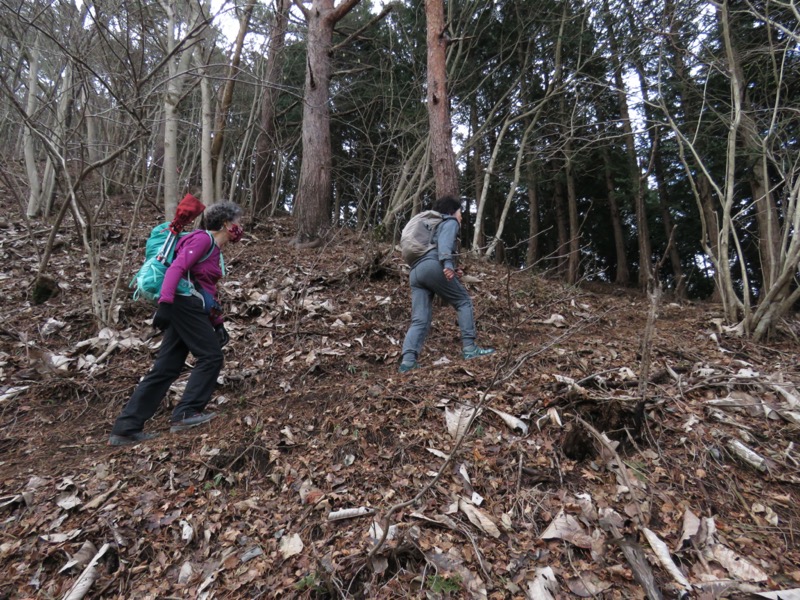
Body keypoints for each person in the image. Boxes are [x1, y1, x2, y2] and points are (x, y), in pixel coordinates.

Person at [109, 202, 244, 446]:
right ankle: (186, 412)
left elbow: (205, 290)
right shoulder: (202, 240)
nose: (240, 227)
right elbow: (176, 269)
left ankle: (126, 428)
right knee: (211, 357)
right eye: (237, 222)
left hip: (188, 305)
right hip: (182, 305)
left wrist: (218, 322)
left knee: (166, 368)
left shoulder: (213, 249)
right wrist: (166, 303)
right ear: (226, 223)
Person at [399, 195, 494, 372]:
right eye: (460, 213)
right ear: (452, 212)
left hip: (416, 272)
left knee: (420, 319)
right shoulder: (449, 221)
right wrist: (448, 265)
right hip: (432, 265)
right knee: (463, 301)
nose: (461, 217)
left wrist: (451, 267)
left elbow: (435, 245)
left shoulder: (430, 225)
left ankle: (408, 361)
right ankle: (470, 349)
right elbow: (444, 244)